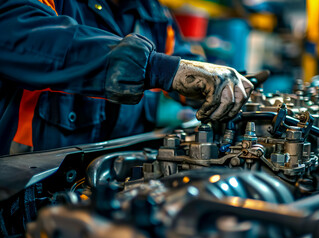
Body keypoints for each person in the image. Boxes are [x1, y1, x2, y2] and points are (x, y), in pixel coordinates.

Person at [0, 0, 253, 155]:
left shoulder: (153, 11)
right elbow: (18, 37)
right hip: (32, 192)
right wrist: (158, 69)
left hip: (123, 179)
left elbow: (182, 58)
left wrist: (215, 86)